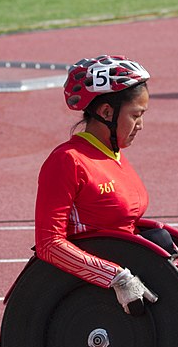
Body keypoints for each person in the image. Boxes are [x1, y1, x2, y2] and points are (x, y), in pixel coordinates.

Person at [35, 54, 168, 316]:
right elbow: (48, 244)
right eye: (136, 115)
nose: (141, 125)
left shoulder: (113, 156)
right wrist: (116, 278)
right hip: (87, 299)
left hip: (129, 276)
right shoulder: (68, 160)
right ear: (107, 112)